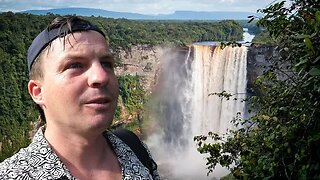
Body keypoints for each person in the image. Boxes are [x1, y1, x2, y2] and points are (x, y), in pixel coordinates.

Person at [0, 16, 160, 180]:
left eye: (106, 63)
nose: (101, 76)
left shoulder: (136, 149)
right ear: (38, 92)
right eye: (74, 65)